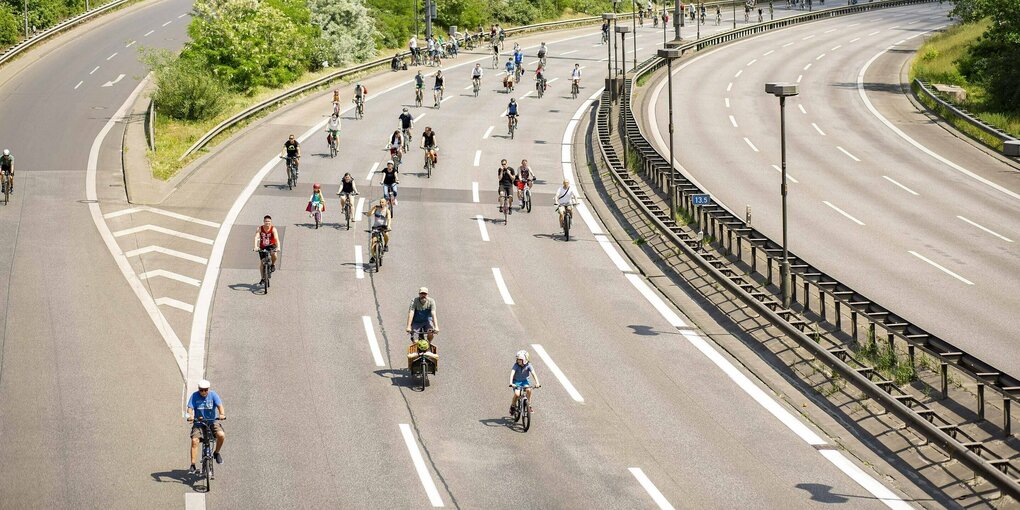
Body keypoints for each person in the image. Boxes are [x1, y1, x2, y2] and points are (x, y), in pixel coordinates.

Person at [187, 379, 225, 475]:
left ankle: (216, 453)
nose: (203, 392)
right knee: (195, 441)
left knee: (221, 435)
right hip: (198, 423)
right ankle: (193, 465)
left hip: (211, 422)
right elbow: (190, 408)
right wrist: (190, 416)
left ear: (208, 389)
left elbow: (220, 406)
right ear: (199, 389)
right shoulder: (194, 396)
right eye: (201, 390)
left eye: (205, 390)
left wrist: (222, 414)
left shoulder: (213, 395)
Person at [508, 351, 541, 415]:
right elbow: (512, 373)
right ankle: (512, 406)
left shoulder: (529, 365)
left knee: (528, 390)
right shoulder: (516, 365)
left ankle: (529, 404)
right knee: (517, 394)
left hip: (525, 381)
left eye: (520, 360)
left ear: (525, 360)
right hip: (516, 382)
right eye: (517, 359)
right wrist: (511, 383)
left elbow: (534, 374)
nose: (518, 361)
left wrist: (537, 383)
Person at [253, 215, 281, 283]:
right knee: (262, 263)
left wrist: (278, 247)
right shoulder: (260, 228)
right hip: (263, 246)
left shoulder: (273, 229)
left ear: (271, 222)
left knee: (274, 255)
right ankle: (262, 278)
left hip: (271, 245)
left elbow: (276, 239)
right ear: (264, 221)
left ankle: (273, 264)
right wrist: (255, 246)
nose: (267, 223)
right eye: (266, 221)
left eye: (269, 221)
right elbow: (256, 237)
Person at [367, 198, 392, 263]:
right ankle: (373, 256)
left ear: (386, 203)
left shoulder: (387, 210)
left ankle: (385, 245)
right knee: (373, 241)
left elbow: (389, 218)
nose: (381, 203)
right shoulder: (376, 209)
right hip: (375, 227)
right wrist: (373, 208)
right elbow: (369, 214)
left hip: (383, 227)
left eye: (383, 202)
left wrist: (389, 226)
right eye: (380, 202)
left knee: (386, 234)